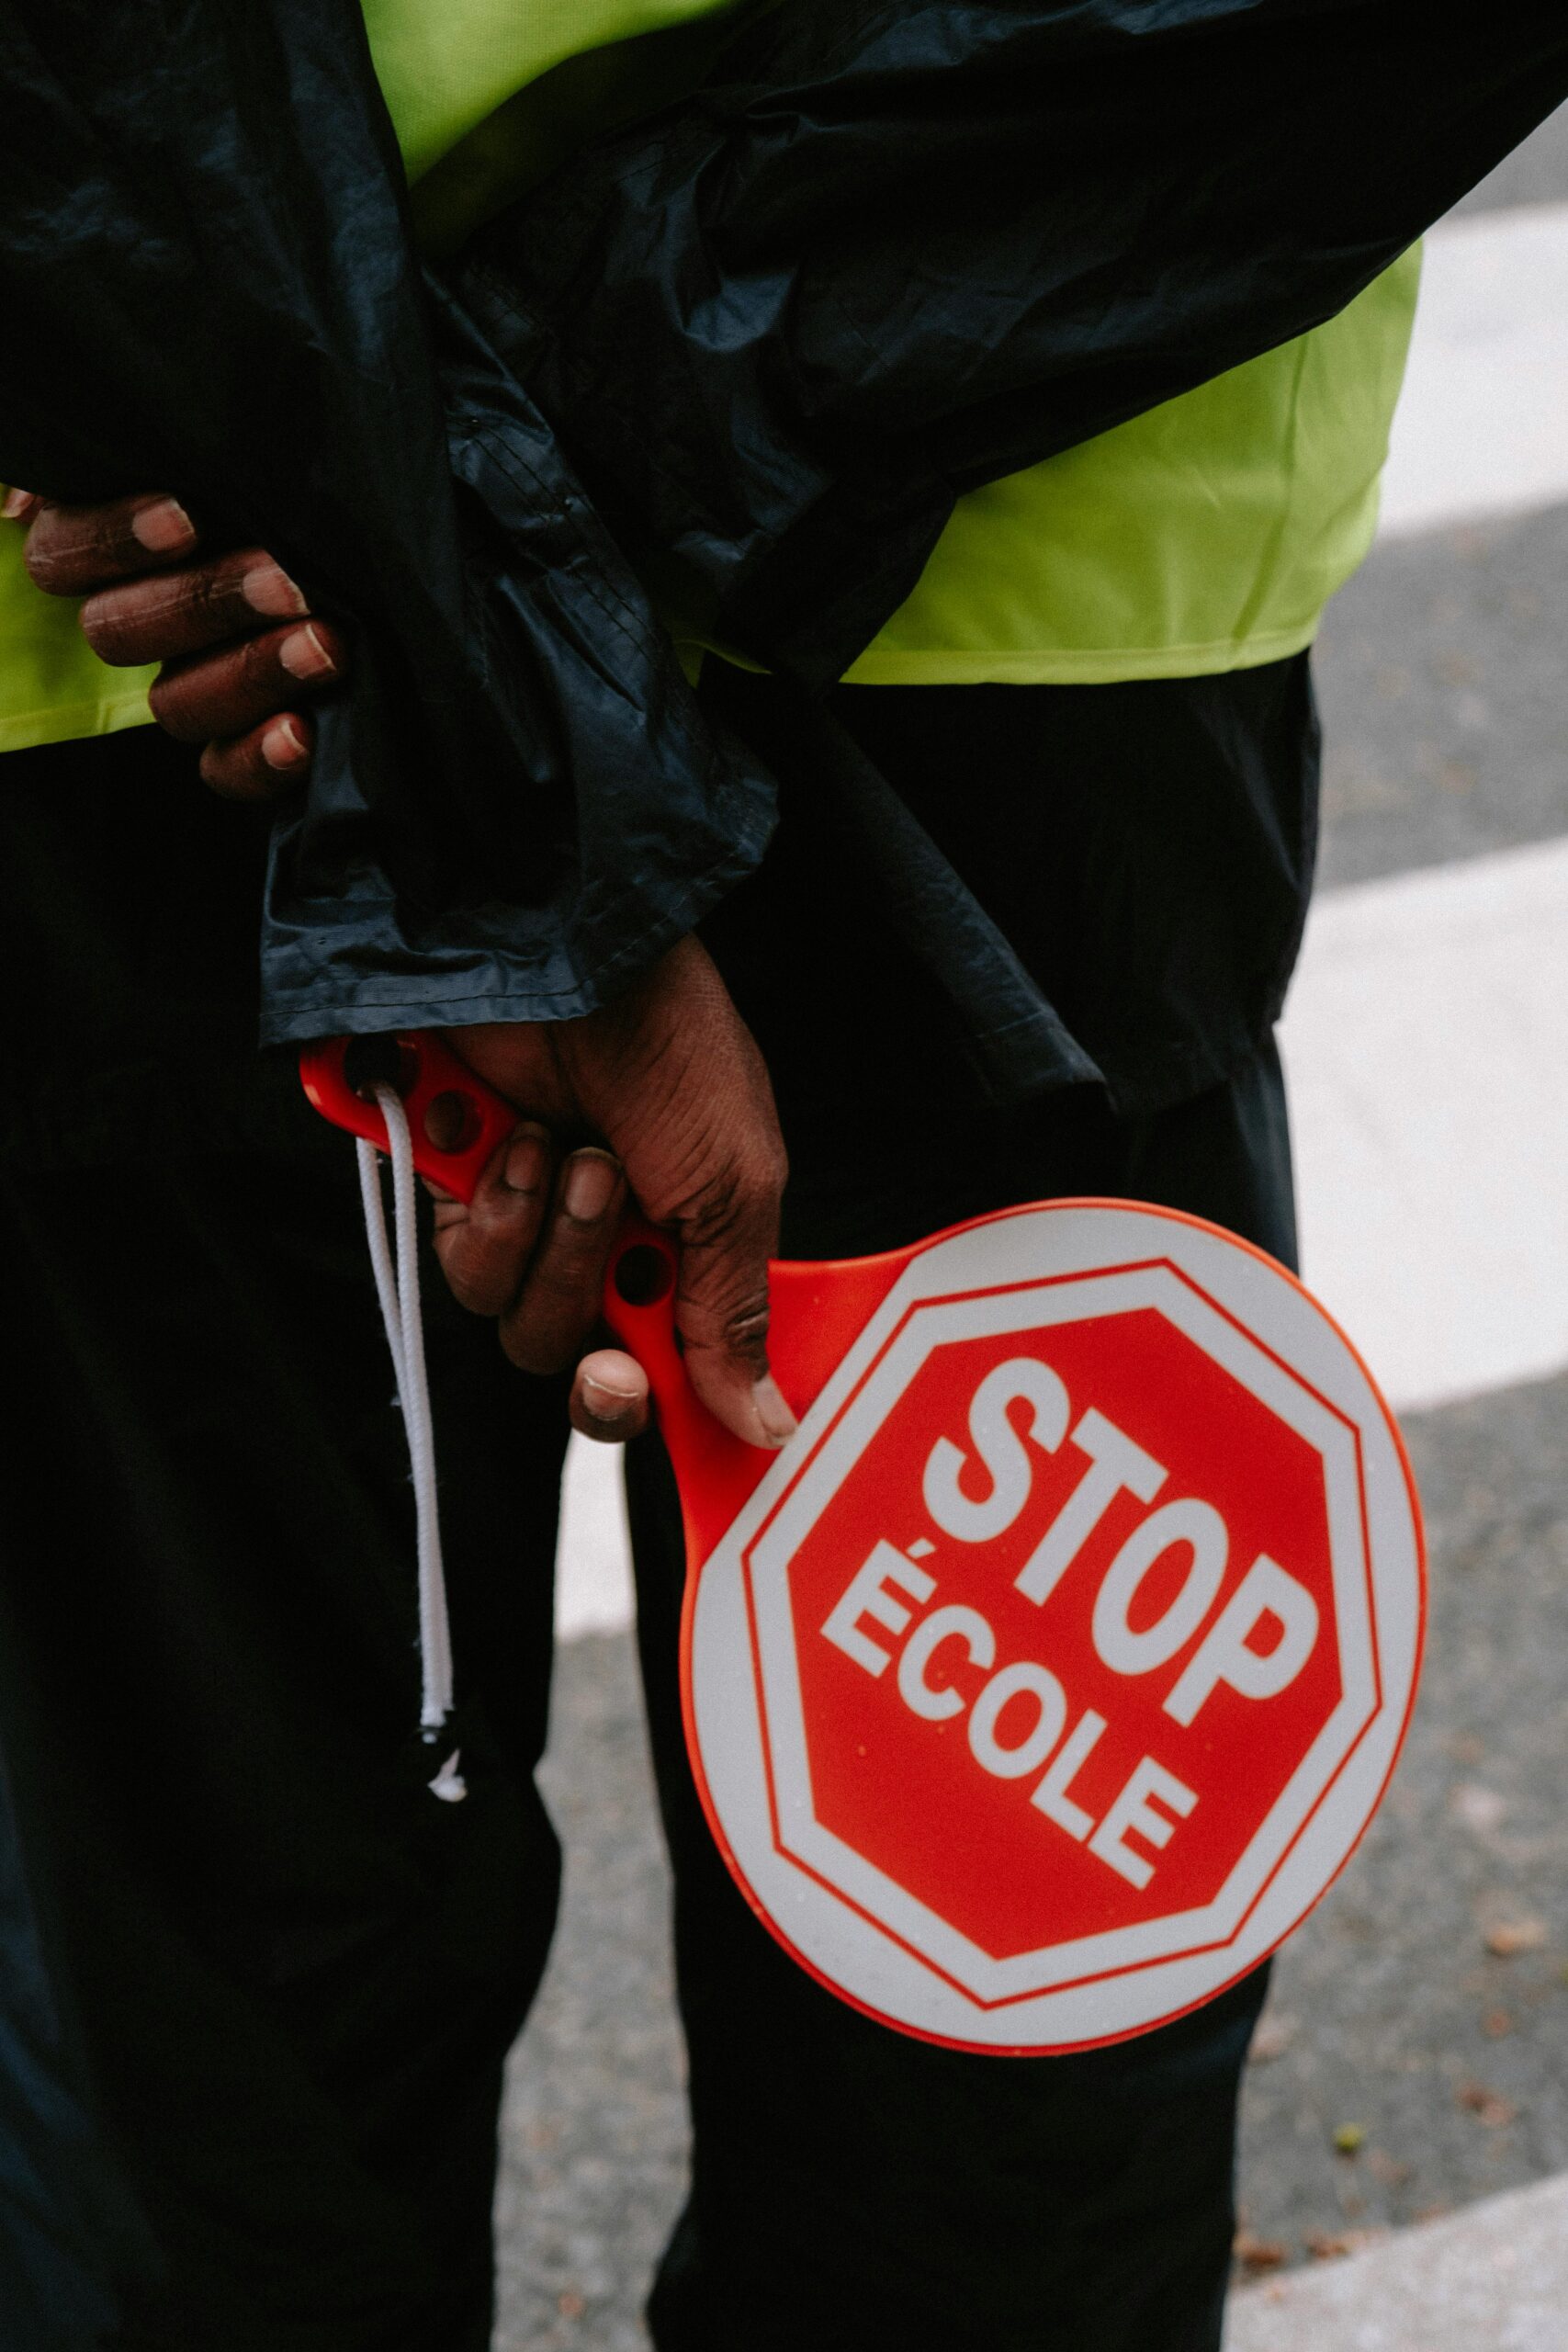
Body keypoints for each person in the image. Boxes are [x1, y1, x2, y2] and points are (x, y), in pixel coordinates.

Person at [2, 5, 1566, 2348]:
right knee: (981, 2052)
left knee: (206, 2047)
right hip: (1010, 513)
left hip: (221, 552)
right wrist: (507, 603)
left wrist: (404, 558)